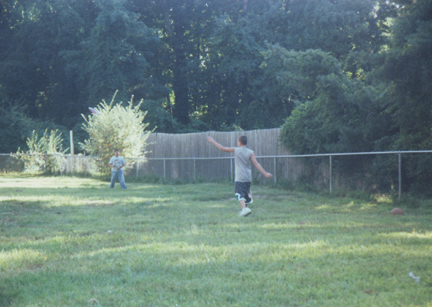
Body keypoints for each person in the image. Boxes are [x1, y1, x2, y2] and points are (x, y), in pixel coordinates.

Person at [207, 135, 273, 216]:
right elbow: (256, 163)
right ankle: (246, 211)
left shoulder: (236, 150)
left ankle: (244, 209)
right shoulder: (250, 152)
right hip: (248, 177)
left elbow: (222, 148)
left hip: (240, 177)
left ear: (240, 142)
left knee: (238, 193)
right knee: (245, 194)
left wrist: (213, 141)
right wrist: (265, 173)